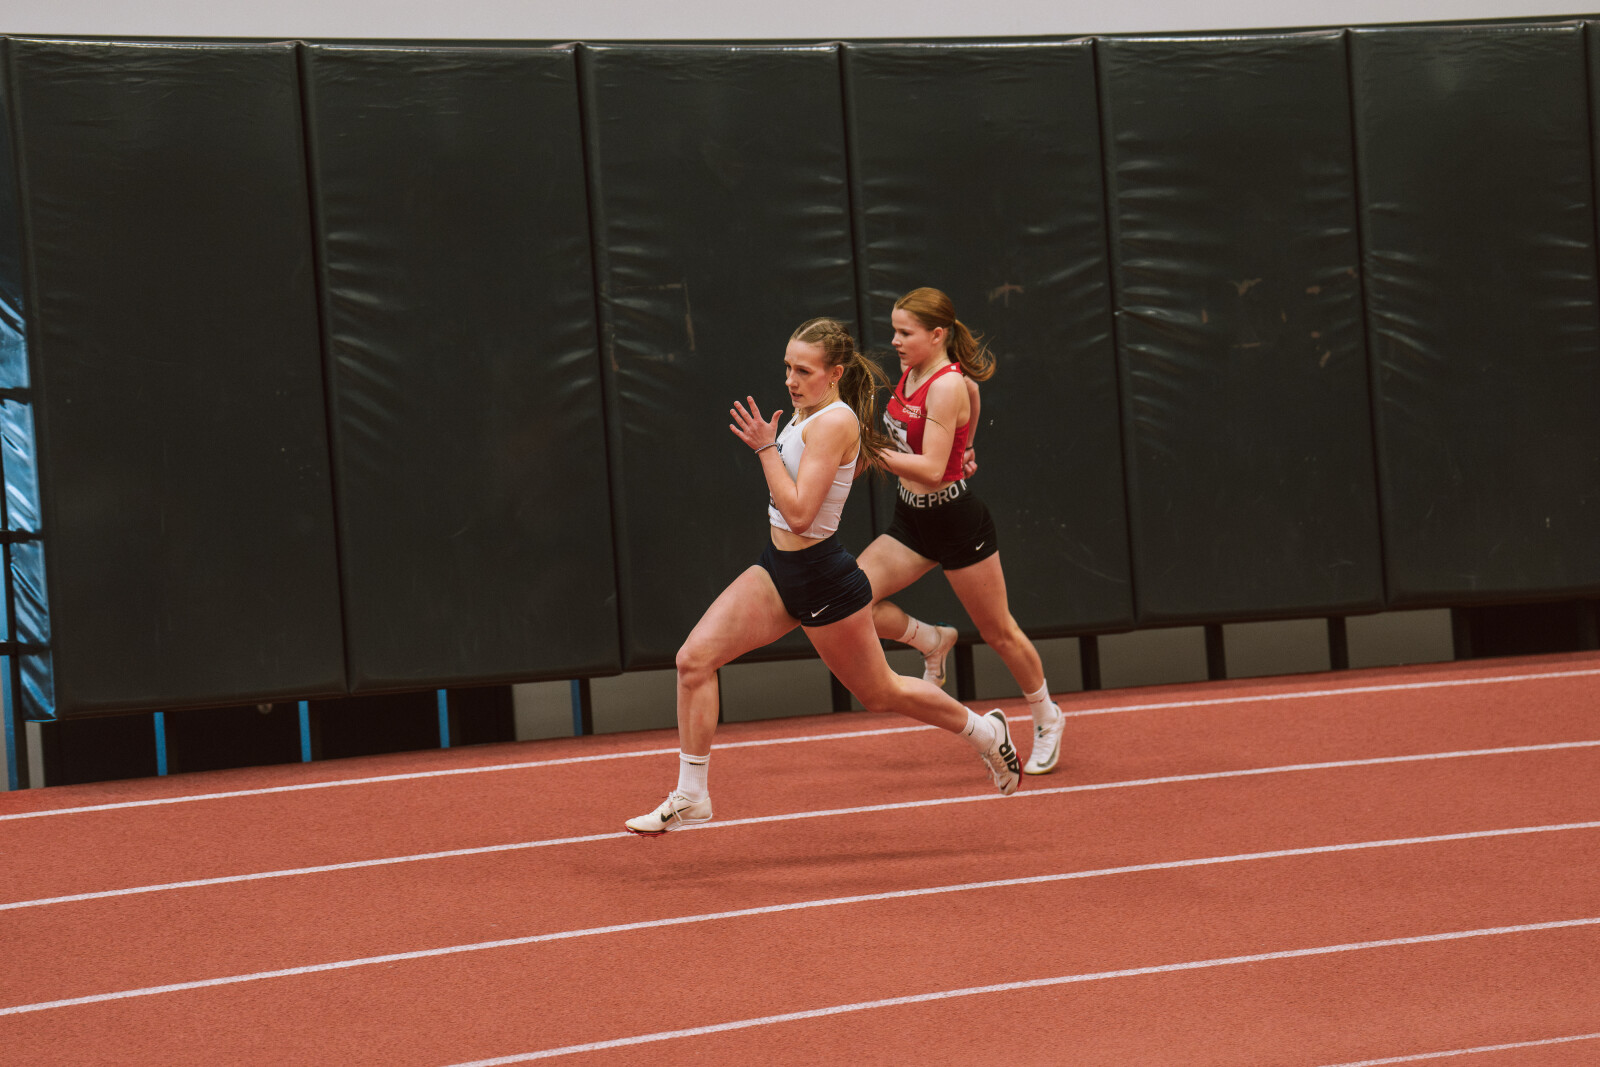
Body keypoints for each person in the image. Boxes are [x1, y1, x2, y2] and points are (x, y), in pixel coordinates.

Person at [625, 317, 1021, 835]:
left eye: (803, 371)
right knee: (693, 661)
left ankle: (986, 733)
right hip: (778, 568)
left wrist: (765, 448)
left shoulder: (834, 421)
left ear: (834, 373)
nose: (790, 380)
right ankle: (691, 795)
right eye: (787, 367)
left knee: (882, 693)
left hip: (823, 579)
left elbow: (800, 515)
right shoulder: (807, 411)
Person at [857, 287, 1066, 776]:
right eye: (894, 331)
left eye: (905, 332)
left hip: (954, 520)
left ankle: (1047, 716)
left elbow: (933, 471)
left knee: (999, 632)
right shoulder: (915, 372)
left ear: (937, 335)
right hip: (911, 520)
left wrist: (869, 450)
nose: (895, 341)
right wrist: (966, 445)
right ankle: (931, 640)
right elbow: (973, 392)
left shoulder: (945, 384)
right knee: (849, 603)